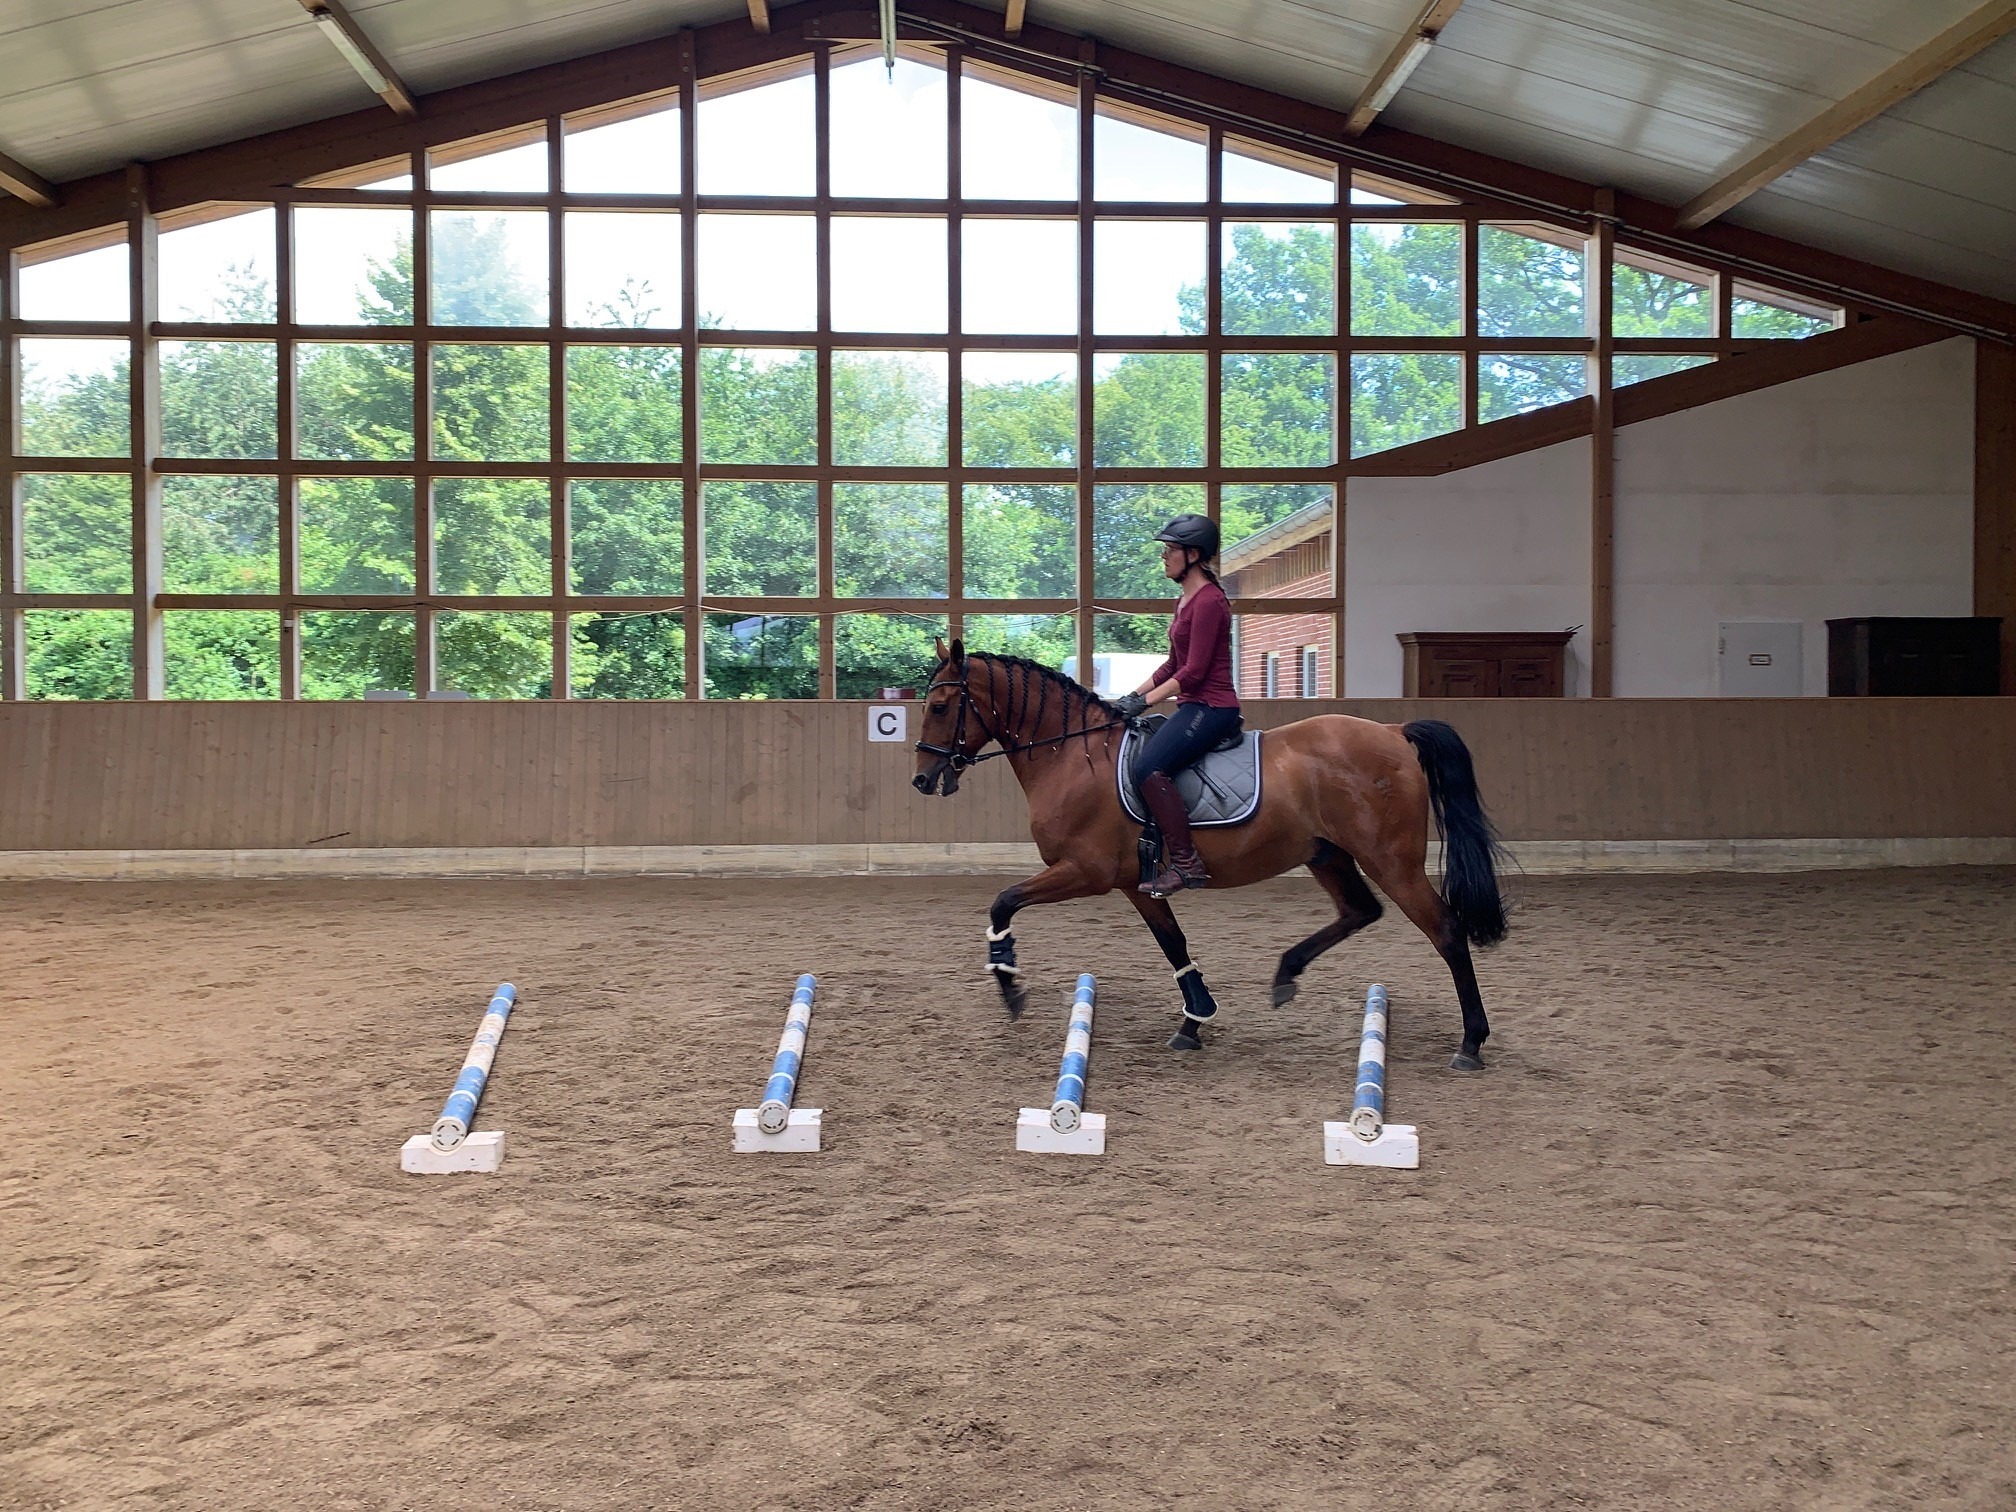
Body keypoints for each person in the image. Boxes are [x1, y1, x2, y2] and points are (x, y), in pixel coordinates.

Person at [1110, 514, 1241, 896]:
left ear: (1193, 554)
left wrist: (1145, 703)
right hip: (1192, 704)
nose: (1164, 557)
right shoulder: (1184, 600)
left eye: (1170, 550)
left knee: (1149, 768)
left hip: (1212, 706)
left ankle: (1186, 864)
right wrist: (1131, 698)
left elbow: (1196, 672)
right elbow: (1172, 664)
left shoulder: (1210, 601)